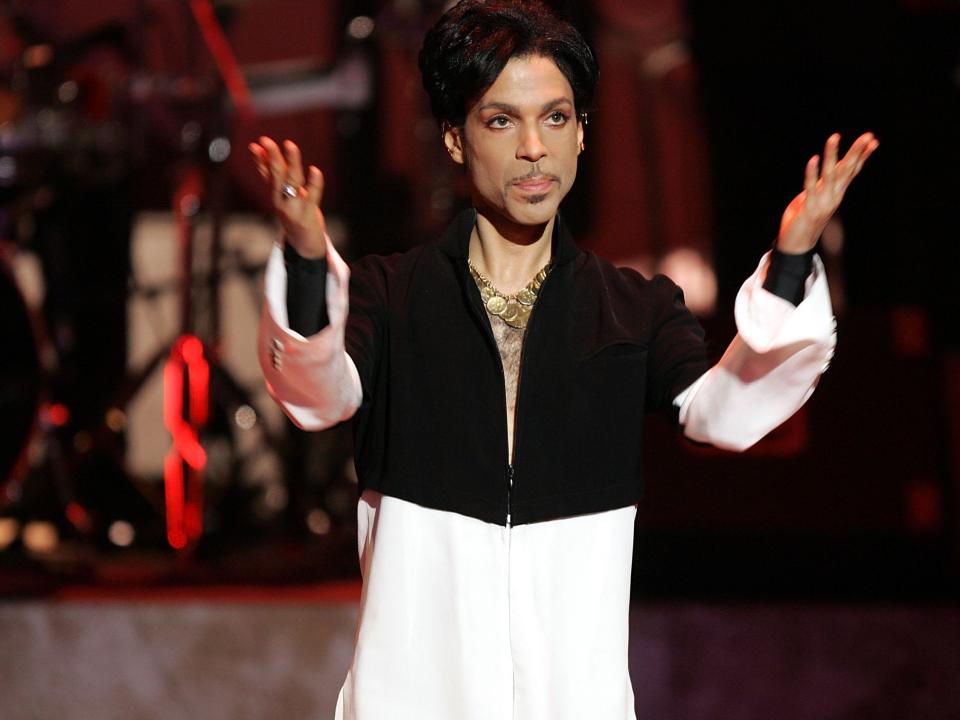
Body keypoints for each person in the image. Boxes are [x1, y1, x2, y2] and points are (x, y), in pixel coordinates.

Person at [249, 2, 878, 718]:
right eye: (500, 120)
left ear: (583, 134)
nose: (532, 149)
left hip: (573, 696)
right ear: (454, 138)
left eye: (555, 118)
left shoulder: (632, 306)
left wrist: (791, 263)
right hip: (416, 689)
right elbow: (319, 392)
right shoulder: (389, 295)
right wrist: (306, 262)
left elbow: (720, 416)